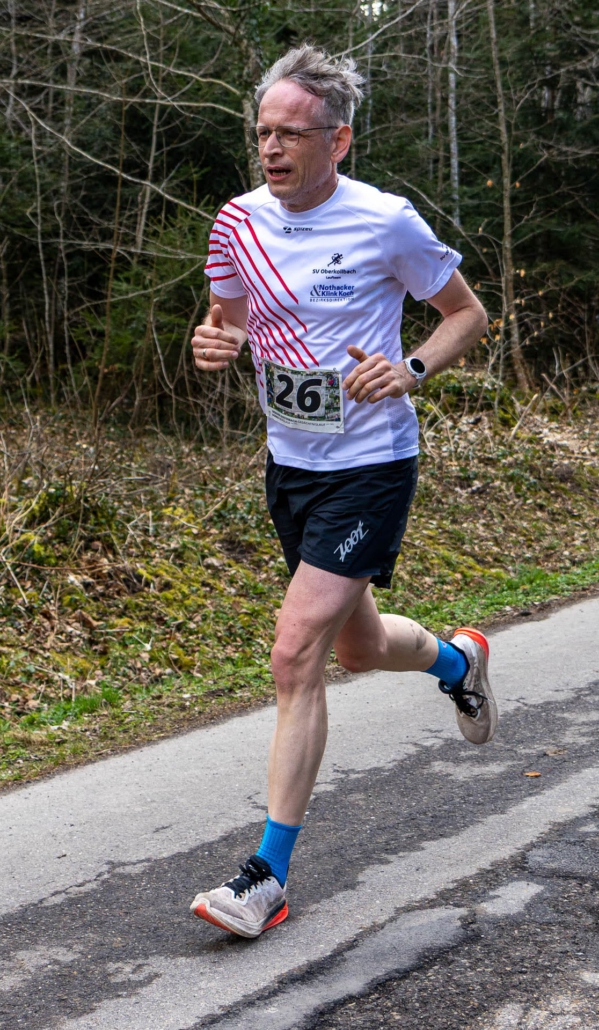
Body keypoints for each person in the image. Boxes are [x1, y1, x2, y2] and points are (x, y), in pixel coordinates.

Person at [189, 45, 496, 940]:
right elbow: (226, 322)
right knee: (357, 649)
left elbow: (466, 315)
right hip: (291, 465)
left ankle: (265, 878)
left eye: (291, 133)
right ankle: (457, 662)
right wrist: (212, 344)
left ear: (339, 140)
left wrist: (409, 370)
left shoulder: (384, 221)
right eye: (262, 132)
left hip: (370, 464)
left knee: (295, 654)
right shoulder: (235, 223)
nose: (271, 148)